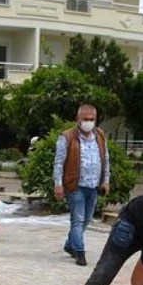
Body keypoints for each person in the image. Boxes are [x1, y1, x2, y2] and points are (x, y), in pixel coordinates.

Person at [53, 103, 110, 267]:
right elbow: (58, 163)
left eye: (92, 119)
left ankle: (70, 244)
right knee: (77, 220)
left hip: (93, 185)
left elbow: (106, 160)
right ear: (78, 119)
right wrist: (58, 184)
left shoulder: (100, 135)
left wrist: (106, 180)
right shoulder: (67, 137)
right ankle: (79, 252)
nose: (88, 122)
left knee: (86, 220)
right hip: (75, 185)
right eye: (85, 119)